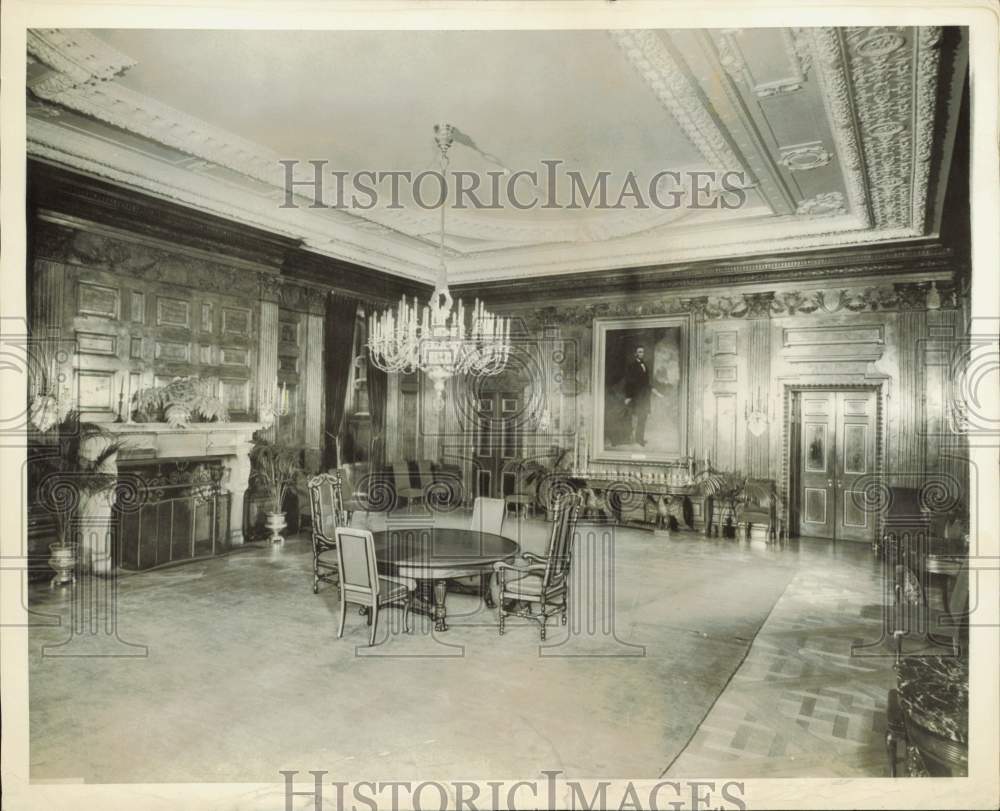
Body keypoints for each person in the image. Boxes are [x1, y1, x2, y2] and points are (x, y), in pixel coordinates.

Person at [623, 345, 662, 446]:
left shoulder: (644, 364)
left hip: (644, 396)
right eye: (639, 352)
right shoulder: (632, 366)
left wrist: (654, 390)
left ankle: (639, 439)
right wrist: (628, 396)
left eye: (643, 352)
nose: (642, 354)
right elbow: (628, 382)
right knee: (633, 417)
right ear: (635, 353)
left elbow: (646, 382)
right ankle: (629, 438)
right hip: (636, 396)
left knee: (643, 417)